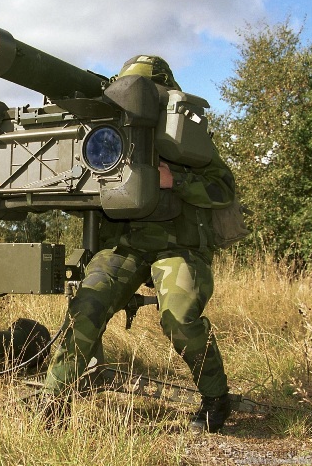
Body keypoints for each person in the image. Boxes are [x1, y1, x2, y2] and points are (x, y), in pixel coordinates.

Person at [41, 55, 235, 433]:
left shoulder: (187, 136)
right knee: (87, 305)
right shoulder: (110, 134)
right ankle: (54, 400)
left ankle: (216, 398)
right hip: (127, 247)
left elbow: (223, 189)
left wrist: (175, 180)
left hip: (179, 247)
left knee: (179, 319)